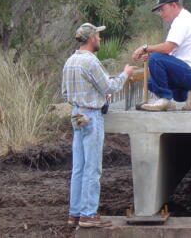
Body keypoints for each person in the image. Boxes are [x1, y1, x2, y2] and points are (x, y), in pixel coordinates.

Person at [62, 23, 137, 228]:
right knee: (92, 169)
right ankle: (88, 215)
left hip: (76, 114)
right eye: (98, 35)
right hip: (91, 116)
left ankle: (75, 214)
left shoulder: (70, 61)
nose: (100, 39)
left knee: (78, 168)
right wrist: (126, 73)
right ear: (91, 38)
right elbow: (110, 86)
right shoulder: (90, 62)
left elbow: (65, 93)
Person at [132, 0, 191, 111]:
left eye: (163, 9)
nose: (161, 14)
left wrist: (145, 48)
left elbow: (167, 48)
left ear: (174, 5)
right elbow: (170, 52)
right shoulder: (184, 18)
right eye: (159, 11)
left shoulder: (182, 21)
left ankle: (165, 100)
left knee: (156, 58)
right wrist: (151, 55)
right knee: (152, 83)